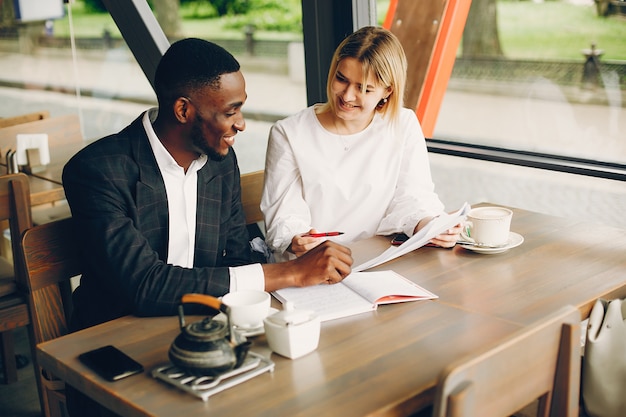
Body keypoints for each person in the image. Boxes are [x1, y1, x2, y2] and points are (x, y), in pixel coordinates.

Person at [62, 38, 353, 332]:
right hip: (116, 337)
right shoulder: (97, 172)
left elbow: (237, 257)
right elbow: (144, 285)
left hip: (206, 325)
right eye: (230, 112)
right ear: (183, 111)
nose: (241, 124)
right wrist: (288, 273)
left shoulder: (220, 161)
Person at [261, 26, 461, 259]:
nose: (347, 96)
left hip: (378, 260)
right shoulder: (289, 133)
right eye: (341, 79)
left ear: (387, 91)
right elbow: (283, 217)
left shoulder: (402, 124)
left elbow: (413, 196)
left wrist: (429, 226)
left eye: (364, 89)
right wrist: (296, 238)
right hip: (313, 265)